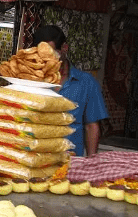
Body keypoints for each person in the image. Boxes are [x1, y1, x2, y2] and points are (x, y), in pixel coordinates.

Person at [31, 25, 108, 156]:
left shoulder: (86, 83)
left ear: (64, 48)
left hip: (70, 163)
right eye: (41, 54)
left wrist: (91, 163)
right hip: (34, 159)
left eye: (51, 53)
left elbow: (91, 126)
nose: (46, 59)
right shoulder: (29, 81)